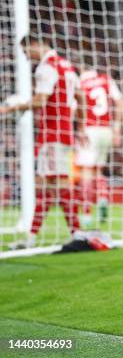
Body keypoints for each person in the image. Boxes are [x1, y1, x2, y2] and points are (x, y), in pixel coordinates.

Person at [0, 34, 86, 248]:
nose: (26, 57)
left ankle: (76, 233)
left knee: (53, 185)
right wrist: (81, 126)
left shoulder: (46, 68)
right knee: (50, 185)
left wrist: (10, 108)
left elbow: (40, 101)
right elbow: (81, 96)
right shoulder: (66, 65)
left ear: (36, 44)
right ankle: (34, 236)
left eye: (26, 51)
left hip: (51, 135)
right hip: (65, 132)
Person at [74, 66, 123, 226]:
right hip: (106, 130)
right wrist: (116, 129)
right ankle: (102, 197)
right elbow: (119, 102)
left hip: (89, 129)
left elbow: (76, 108)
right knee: (98, 170)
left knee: (86, 172)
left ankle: (87, 214)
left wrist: (79, 128)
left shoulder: (79, 82)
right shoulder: (105, 79)